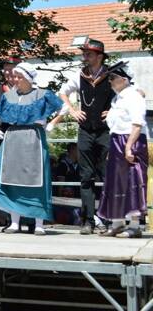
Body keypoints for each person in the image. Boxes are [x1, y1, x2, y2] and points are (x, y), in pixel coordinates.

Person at [0, 63, 63, 236]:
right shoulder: (9, 96)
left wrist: (53, 123)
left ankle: (39, 223)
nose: (15, 79)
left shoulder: (42, 94)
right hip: (13, 140)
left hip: (34, 138)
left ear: (28, 78)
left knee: (36, 181)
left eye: (19, 76)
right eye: (15, 76)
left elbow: (64, 107)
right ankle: (14, 222)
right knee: (11, 179)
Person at [56, 39, 115, 235]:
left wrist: (115, 109)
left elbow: (132, 93)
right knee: (86, 177)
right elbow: (62, 92)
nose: (85, 57)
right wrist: (72, 110)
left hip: (106, 131)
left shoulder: (112, 74)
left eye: (89, 54)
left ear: (99, 57)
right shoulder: (79, 75)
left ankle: (107, 220)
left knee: (107, 175)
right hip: (86, 131)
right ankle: (87, 220)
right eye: (84, 54)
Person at [97, 63, 149, 238]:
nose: (110, 81)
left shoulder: (133, 96)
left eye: (112, 78)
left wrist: (128, 147)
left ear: (123, 79)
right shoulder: (118, 98)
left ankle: (134, 226)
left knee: (133, 181)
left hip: (131, 140)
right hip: (117, 140)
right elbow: (115, 125)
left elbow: (137, 123)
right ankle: (117, 222)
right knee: (115, 182)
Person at [0, 56, 20, 143]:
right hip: (5, 131)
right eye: (5, 70)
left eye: (11, 69)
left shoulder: (28, 88)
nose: (7, 72)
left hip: (25, 130)